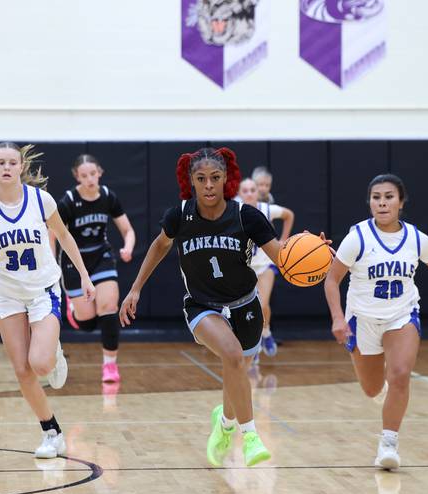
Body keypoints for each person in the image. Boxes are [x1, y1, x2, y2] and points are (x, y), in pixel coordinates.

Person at [120, 147, 319, 467]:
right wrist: (135, 289)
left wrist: (308, 251)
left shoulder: (246, 216)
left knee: (236, 367)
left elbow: (282, 258)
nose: (209, 185)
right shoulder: (180, 215)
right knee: (232, 355)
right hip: (202, 306)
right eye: (201, 179)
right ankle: (251, 436)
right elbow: (159, 246)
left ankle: (224, 424)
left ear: (227, 179)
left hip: (245, 306)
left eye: (215, 178)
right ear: (191, 181)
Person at [0, 142, 95, 458]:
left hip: (43, 290)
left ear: (21, 166)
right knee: (22, 371)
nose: (7, 167)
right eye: (1, 162)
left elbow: (64, 237)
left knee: (39, 364)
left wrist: (83, 275)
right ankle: (51, 432)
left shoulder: (41, 200)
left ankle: (53, 350)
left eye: (13, 162)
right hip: (8, 293)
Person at [324, 174, 428, 470]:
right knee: (372, 389)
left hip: (402, 315)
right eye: (376, 197)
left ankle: (389, 442)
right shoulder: (357, 237)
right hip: (362, 319)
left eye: (388, 197)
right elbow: (332, 280)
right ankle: (383, 392)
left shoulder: (416, 238)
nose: (382, 203)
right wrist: (336, 317)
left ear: (401, 202)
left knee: (400, 374)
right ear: (369, 202)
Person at [56, 154, 136, 384]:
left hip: (101, 257)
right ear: (77, 177)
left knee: (109, 307)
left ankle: (110, 366)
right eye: (84, 175)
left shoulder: (108, 196)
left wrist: (128, 248)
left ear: (100, 172)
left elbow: (128, 230)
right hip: (74, 261)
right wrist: (51, 261)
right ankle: (74, 311)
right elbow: (54, 234)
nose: (90, 179)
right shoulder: (69, 201)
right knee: (88, 323)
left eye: (93, 174)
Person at [237, 177, 294, 357]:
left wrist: (283, 240)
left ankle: (266, 332)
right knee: (245, 307)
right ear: (239, 194)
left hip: (264, 265)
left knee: (262, 304)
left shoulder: (266, 209)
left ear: (257, 193)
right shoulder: (233, 211)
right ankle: (252, 343)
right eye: (245, 190)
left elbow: (288, 215)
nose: (249, 193)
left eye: (252, 190)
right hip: (243, 268)